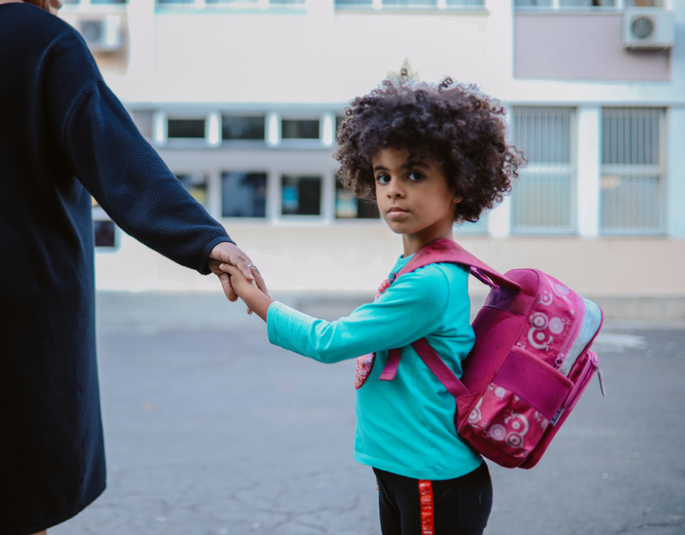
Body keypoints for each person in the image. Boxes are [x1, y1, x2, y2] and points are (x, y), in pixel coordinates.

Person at [0, 1, 266, 534]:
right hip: (12, 312)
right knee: (19, 499)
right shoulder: (43, 41)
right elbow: (118, 160)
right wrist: (206, 242)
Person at [219, 76, 522, 535]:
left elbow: (330, 341)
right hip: (405, 470)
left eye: (414, 174)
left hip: (430, 478)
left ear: (460, 185)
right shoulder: (418, 266)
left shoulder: (429, 282)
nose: (394, 190)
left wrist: (254, 297)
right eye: (384, 175)